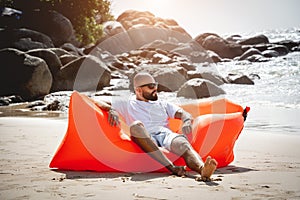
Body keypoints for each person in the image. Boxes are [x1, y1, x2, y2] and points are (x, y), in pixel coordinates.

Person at [95, 72, 217, 181]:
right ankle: (172, 167)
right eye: (151, 86)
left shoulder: (163, 104)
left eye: (156, 85)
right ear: (138, 90)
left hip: (165, 135)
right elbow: (95, 100)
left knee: (182, 143)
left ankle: (202, 170)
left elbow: (184, 114)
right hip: (145, 137)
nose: (155, 89)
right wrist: (111, 109)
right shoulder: (127, 103)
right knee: (136, 126)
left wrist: (186, 121)